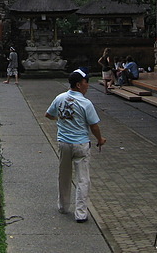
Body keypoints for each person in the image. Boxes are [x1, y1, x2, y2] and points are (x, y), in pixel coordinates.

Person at [44, 68, 106, 223]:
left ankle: (63, 206)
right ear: (79, 85)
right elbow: (94, 126)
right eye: (86, 82)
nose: (88, 85)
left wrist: (62, 119)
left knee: (63, 176)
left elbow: (49, 114)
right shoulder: (85, 103)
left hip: (63, 143)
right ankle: (81, 213)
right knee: (83, 179)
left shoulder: (60, 98)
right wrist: (100, 139)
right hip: (81, 144)